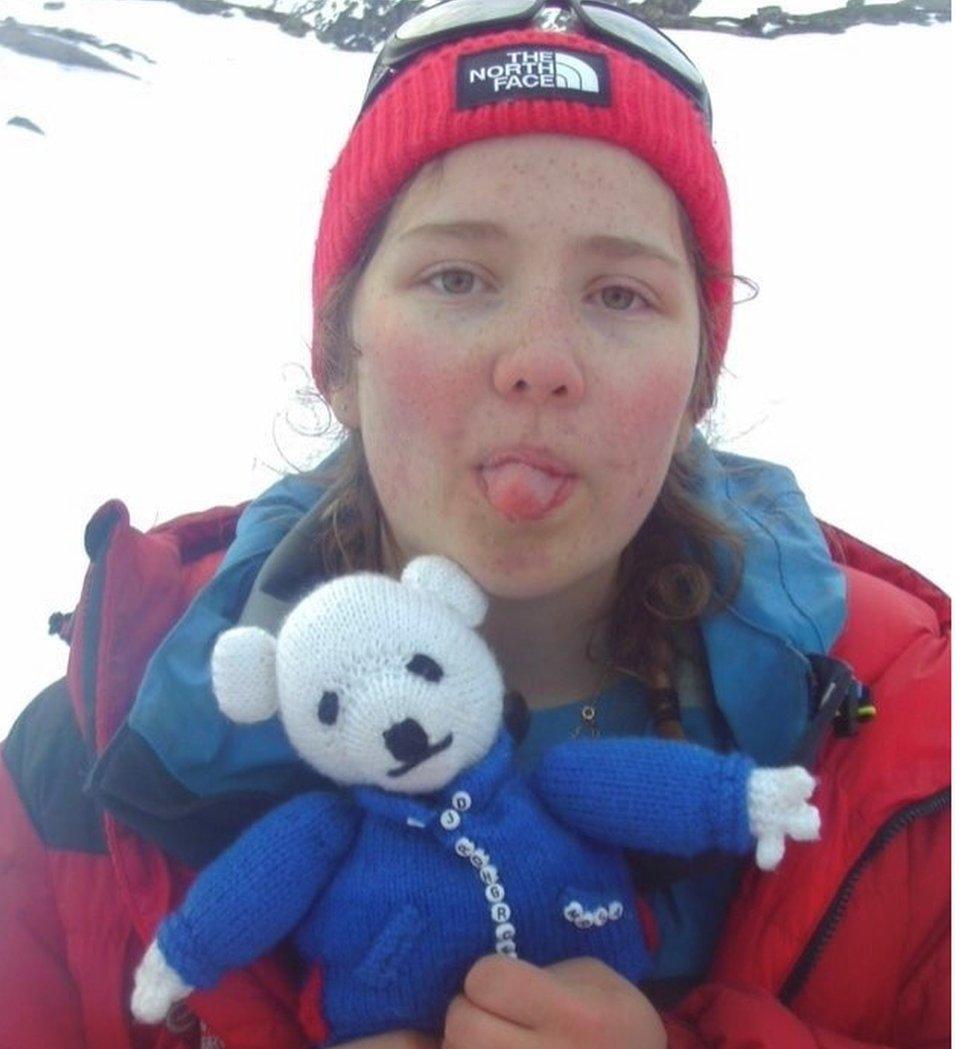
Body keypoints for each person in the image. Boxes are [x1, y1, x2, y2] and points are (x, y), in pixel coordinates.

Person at [0, 1, 949, 1047]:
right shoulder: (80, 772)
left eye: (621, 294)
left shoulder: (920, 743)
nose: (539, 358)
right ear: (336, 357)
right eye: (457, 277)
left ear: (694, 386)